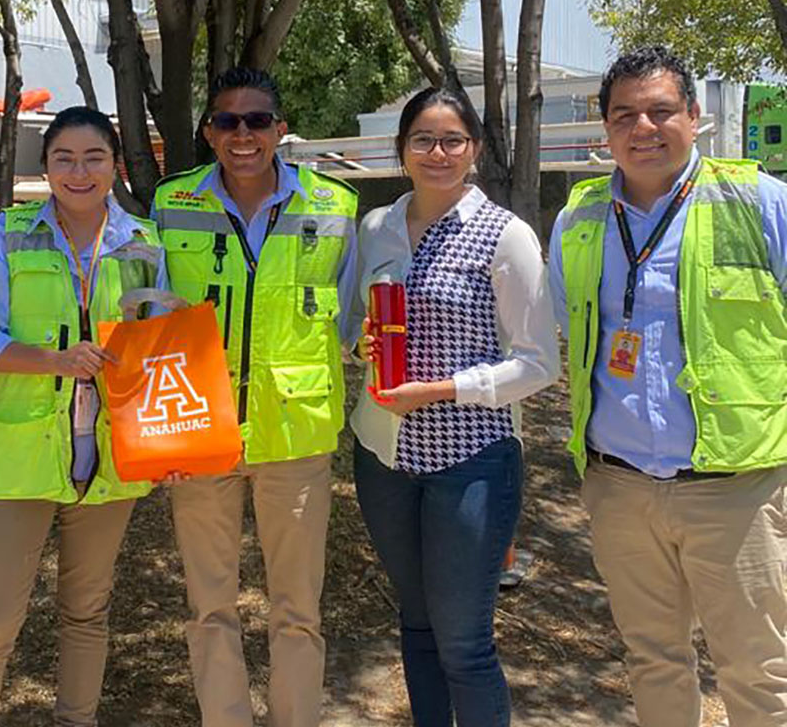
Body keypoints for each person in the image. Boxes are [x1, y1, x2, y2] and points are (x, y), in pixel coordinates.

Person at [549, 46, 787, 727]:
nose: (643, 128)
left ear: (694, 116)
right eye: (625, 115)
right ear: (605, 130)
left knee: (759, 672)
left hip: (735, 488)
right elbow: (567, 327)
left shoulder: (761, 203)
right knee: (652, 660)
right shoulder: (579, 218)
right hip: (620, 487)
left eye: (660, 111)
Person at [151, 67, 357, 726]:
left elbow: (352, 320)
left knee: (298, 609)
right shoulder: (170, 203)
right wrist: (160, 438)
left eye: (257, 120)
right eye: (227, 122)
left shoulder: (334, 208)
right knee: (209, 608)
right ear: (208, 132)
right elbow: (150, 329)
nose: (243, 135)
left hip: (294, 435)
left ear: (281, 127)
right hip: (200, 433)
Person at [0, 106, 167, 726]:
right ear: (44, 166)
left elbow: (161, 354)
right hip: (19, 458)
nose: (79, 172)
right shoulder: (9, 235)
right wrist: (56, 360)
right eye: (63, 159)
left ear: (115, 165)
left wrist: (170, 446)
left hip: (108, 460)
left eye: (93, 157)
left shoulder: (143, 244)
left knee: (86, 612)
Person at [351, 86, 559, 726]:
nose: (437, 152)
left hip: (471, 459)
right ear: (402, 149)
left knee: (465, 643)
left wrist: (443, 389)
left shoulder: (505, 234)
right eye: (422, 139)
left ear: (473, 150)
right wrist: (366, 345)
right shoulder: (377, 226)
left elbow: (539, 363)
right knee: (416, 624)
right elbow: (361, 328)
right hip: (382, 452)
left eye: (452, 140)